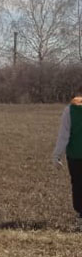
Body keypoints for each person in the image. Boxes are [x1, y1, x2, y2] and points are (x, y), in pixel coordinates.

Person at [53, 87, 82, 229]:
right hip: (75, 154)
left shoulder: (70, 110)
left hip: (75, 154)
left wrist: (57, 155)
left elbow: (64, 135)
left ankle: (81, 212)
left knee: (77, 184)